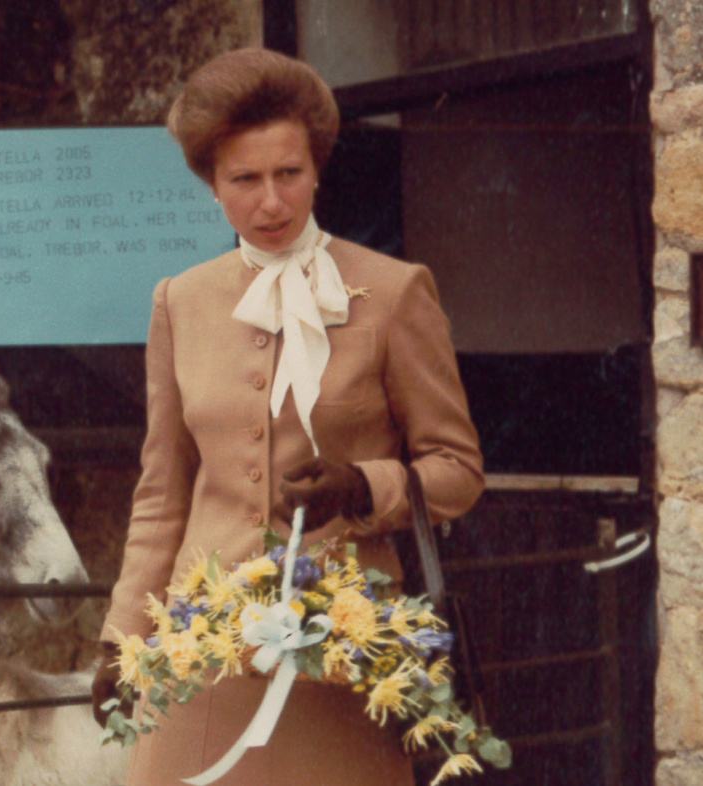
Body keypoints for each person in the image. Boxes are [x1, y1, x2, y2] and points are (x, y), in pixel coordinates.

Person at [90, 49, 484, 785]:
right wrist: (121, 637)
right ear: (212, 185)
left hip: (346, 661)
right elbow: (162, 493)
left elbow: (458, 471)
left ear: (317, 170)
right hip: (202, 657)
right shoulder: (180, 300)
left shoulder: (395, 293)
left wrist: (362, 487)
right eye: (245, 180)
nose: (271, 202)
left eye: (289, 174)